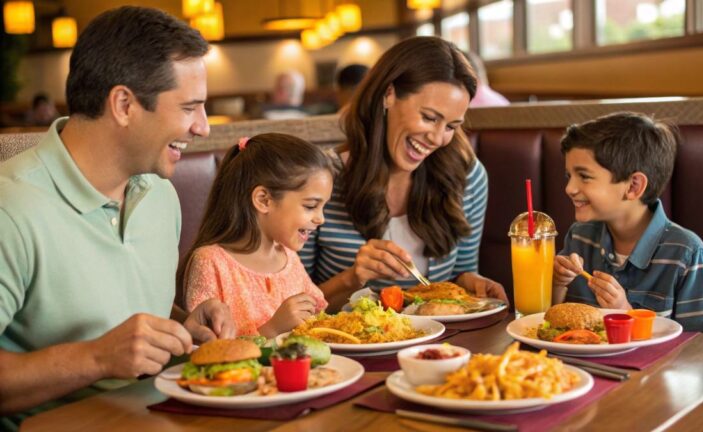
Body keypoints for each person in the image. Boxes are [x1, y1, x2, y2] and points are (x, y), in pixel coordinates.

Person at [0, 6, 235, 428]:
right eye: (189, 107)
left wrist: (182, 326)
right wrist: (97, 358)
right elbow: (108, 347)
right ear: (124, 104)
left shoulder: (160, 193)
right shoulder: (10, 207)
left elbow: (128, 313)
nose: (202, 127)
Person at [299, 36, 508, 309]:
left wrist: (472, 281)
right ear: (388, 94)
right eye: (430, 118)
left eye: (451, 126)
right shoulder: (319, 180)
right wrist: (353, 278)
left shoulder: (468, 177)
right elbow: (290, 305)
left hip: (440, 346)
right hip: (344, 347)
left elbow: (462, 273)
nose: (436, 138)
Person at [552, 112, 703, 334]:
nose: (570, 188)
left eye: (584, 176)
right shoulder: (579, 236)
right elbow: (551, 323)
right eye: (569, 176)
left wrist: (625, 313)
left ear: (633, 186)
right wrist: (557, 283)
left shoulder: (686, 253)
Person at [181, 133, 331, 338]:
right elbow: (209, 350)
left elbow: (320, 319)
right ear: (264, 200)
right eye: (310, 206)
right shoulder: (211, 262)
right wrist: (273, 329)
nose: (320, 218)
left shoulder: (290, 259)